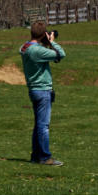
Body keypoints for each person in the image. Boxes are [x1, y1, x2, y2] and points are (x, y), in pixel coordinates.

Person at [20, 21, 65, 165]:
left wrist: (43, 42)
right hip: (43, 90)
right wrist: (52, 42)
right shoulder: (38, 51)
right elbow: (61, 54)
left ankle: (35, 155)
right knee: (44, 126)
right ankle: (45, 157)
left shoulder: (25, 47)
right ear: (43, 34)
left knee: (38, 124)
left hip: (33, 89)